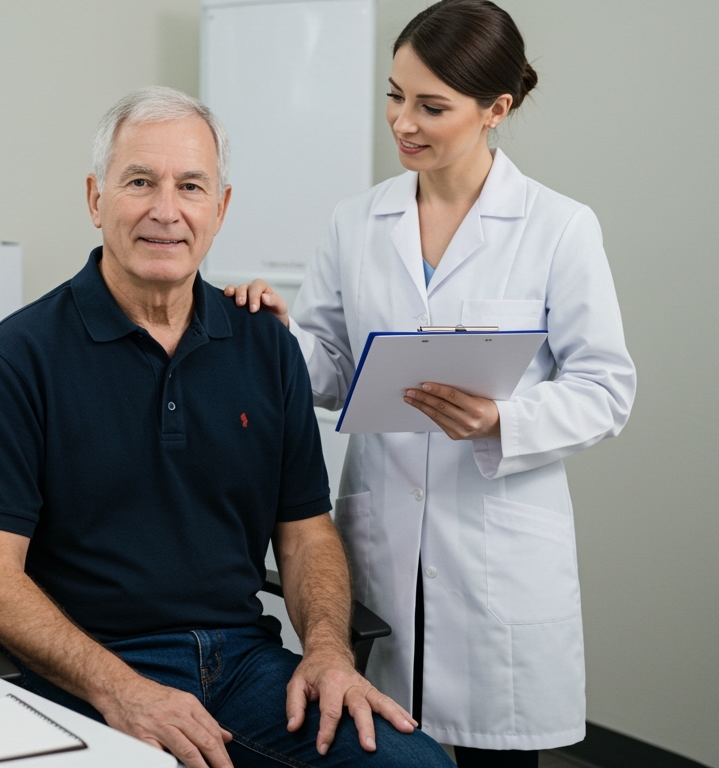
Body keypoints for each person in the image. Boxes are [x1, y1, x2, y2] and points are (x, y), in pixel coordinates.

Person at [0, 86, 453, 768]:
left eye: (191, 186)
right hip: (89, 671)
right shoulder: (22, 354)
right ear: (96, 199)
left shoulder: (267, 345)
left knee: (418, 765)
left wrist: (330, 653)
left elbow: (306, 536)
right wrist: (123, 690)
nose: (167, 210)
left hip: (245, 665)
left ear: (220, 208)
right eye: (139, 182)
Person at [225, 2, 636, 766]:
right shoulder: (358, 221)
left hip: (497, 552)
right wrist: (282, 342)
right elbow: (335, 368)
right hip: (381, 541)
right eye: (394, 95)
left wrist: (500, 421)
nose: (402, 121)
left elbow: (606, 387)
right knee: (380, 747)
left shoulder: (558, 227)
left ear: (495, 109)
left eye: (431, 105)